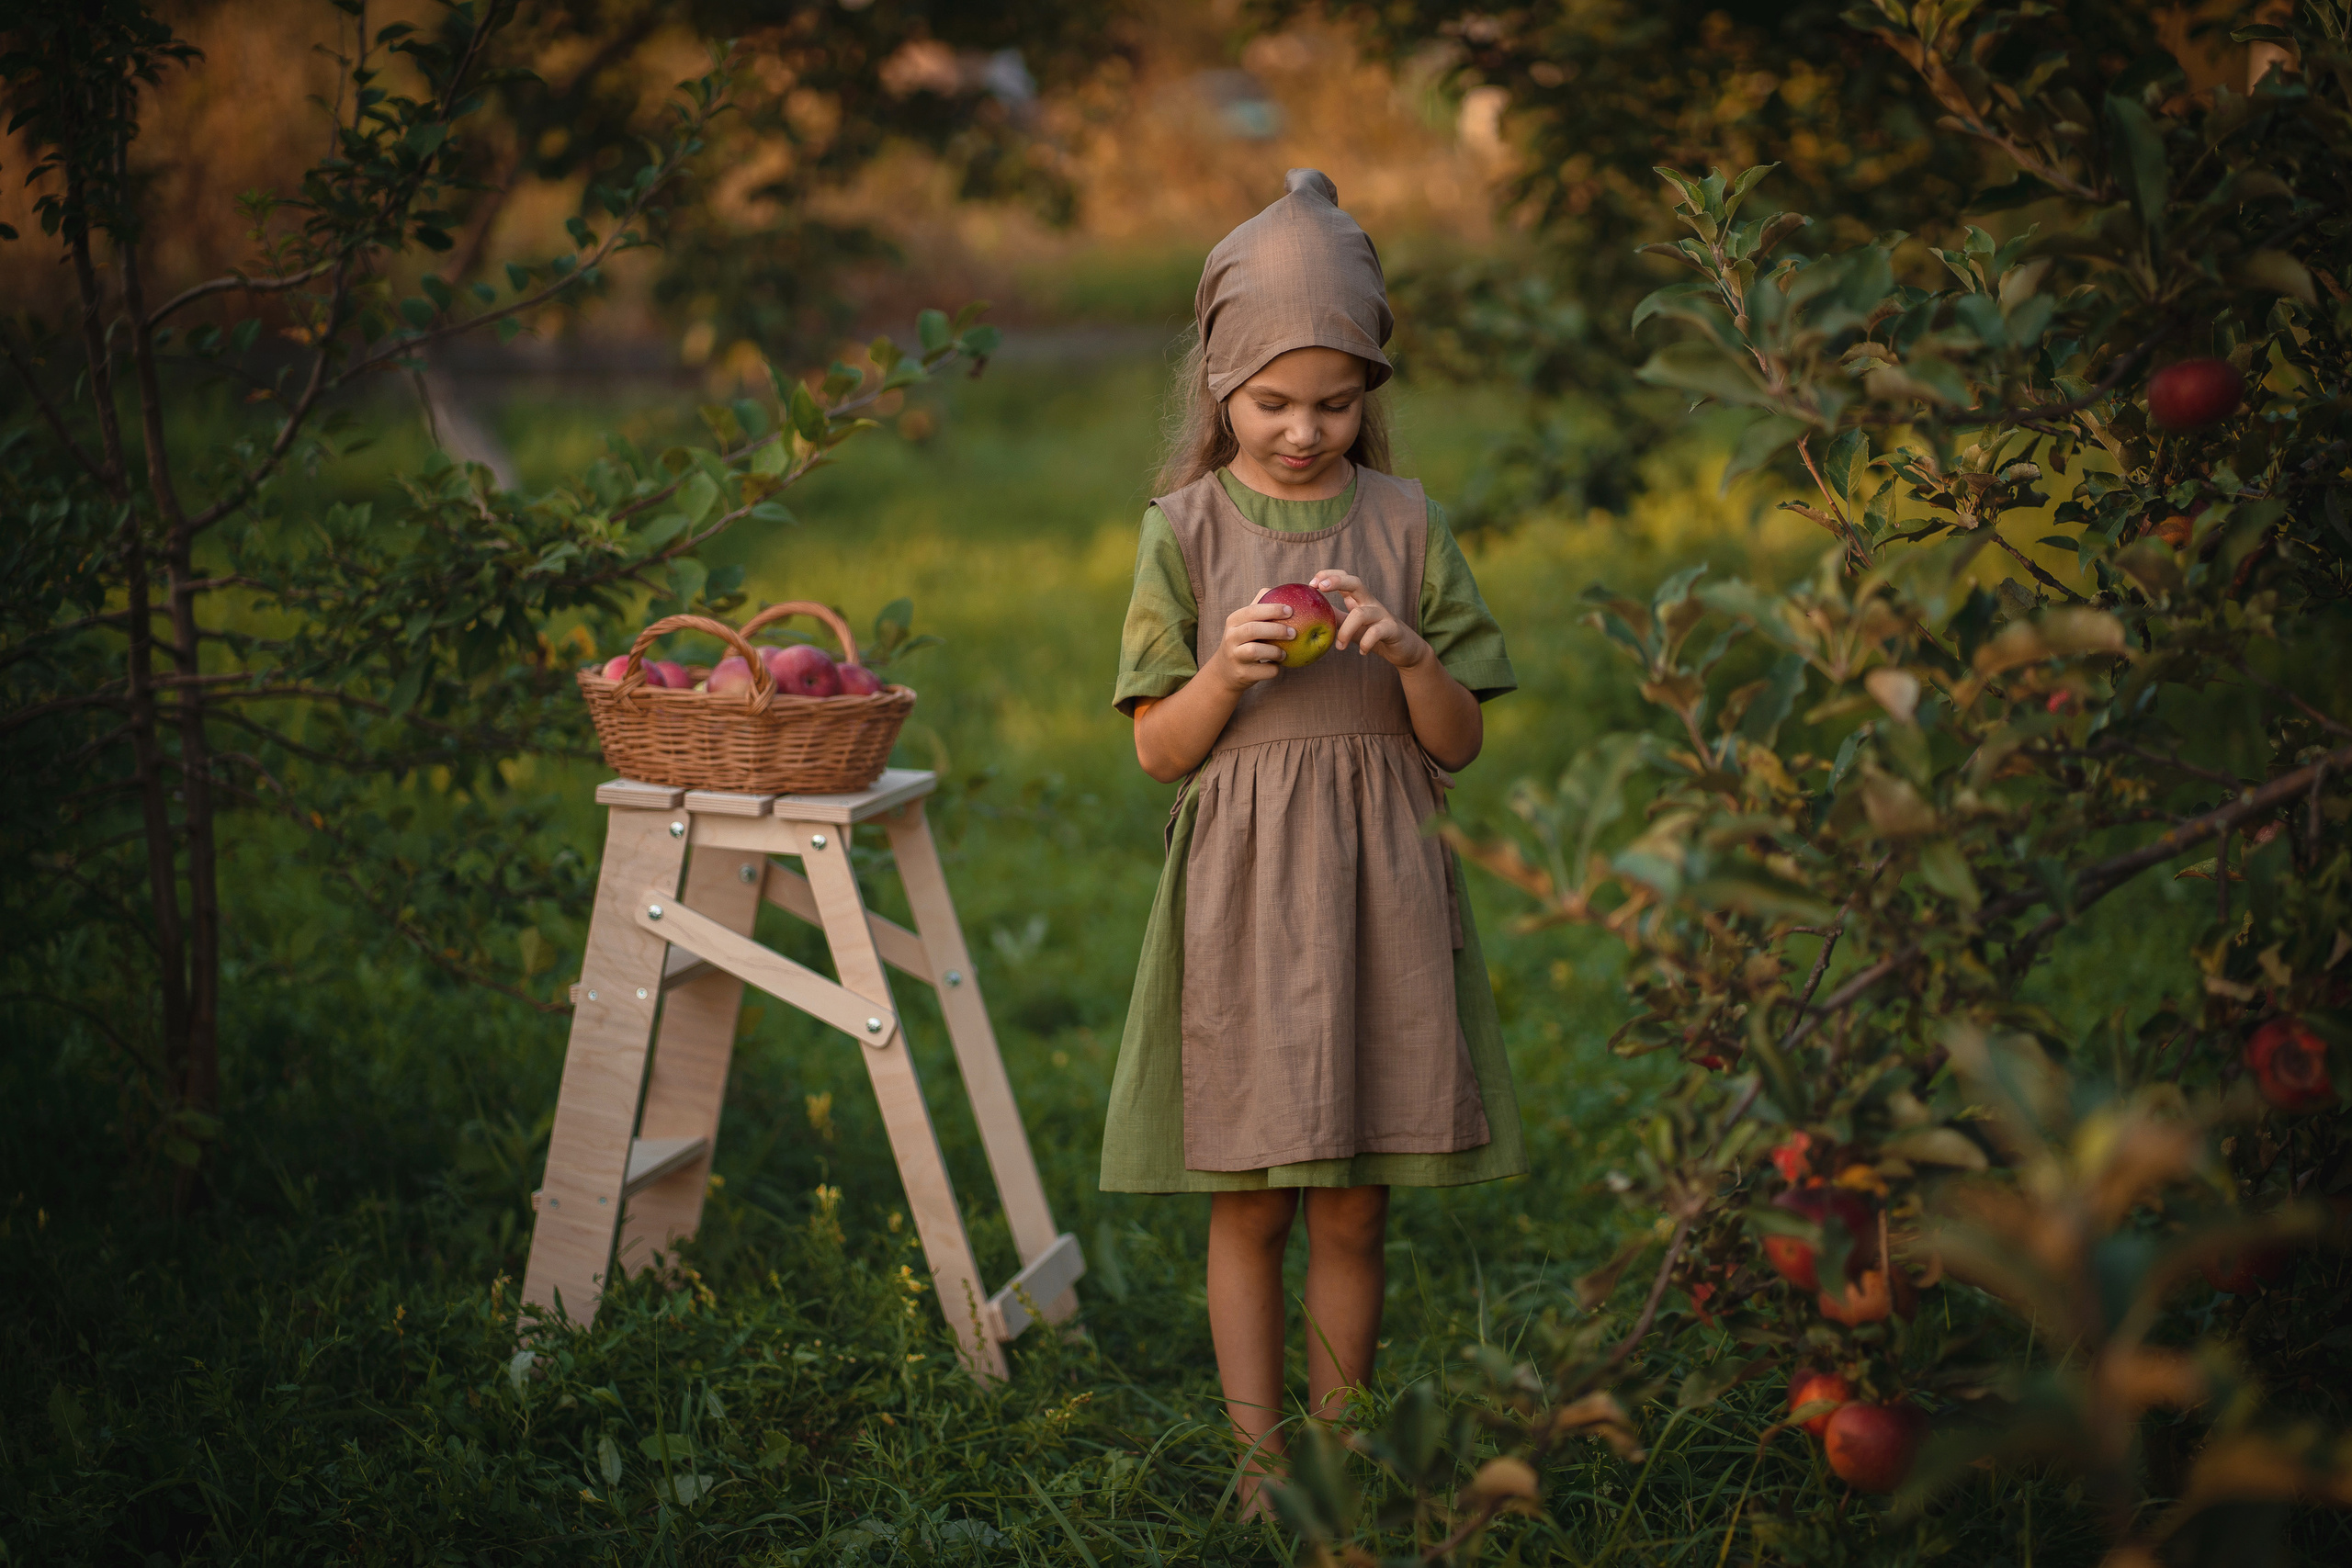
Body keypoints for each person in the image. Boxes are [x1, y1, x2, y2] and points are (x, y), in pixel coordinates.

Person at [1101, 168, 1525, 1517]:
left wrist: (1406, 657)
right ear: (1220, 384)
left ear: (1371, 395)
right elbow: (1159, 750)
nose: (1302, 431)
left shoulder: (1408, 526)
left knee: (1353, 1201)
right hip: (1243, 901)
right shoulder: (1184, 534)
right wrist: (1223, 673)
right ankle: (1255, 1459)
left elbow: (1454, 741)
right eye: (1273, 402)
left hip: (1381, 896)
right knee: (1255, 1201)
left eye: (1335, 403)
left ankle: (1339, 1451)